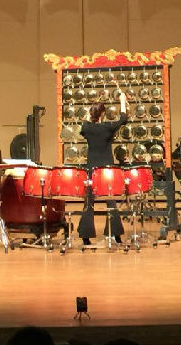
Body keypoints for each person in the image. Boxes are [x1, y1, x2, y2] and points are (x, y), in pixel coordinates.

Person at [78, 90, 128, 245]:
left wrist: (90, 113)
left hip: (91, 169)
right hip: (106, 170)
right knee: (111, 202)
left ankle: (85, 237)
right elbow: (123, 119)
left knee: (89, 203)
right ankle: (116, 235)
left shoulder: (87, 128)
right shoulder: (107, 127)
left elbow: (84, 125)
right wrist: (122, 101)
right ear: (103, 114)